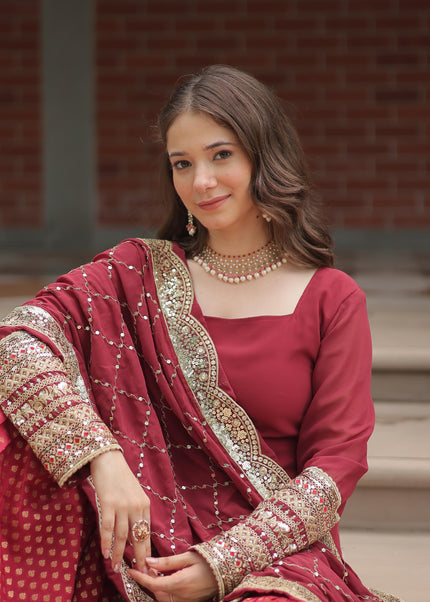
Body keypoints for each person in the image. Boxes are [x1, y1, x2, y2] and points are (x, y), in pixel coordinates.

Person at [0, 65, 400, 602]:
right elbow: (16, 345)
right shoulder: (133, 276)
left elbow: (335, 467)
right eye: (181, 164)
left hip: (272, 553)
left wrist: (220, 562)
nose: (201, 182)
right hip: (138, 546)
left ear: (265, 156)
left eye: (221, 155)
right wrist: (105, 456)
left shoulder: (331, 297)